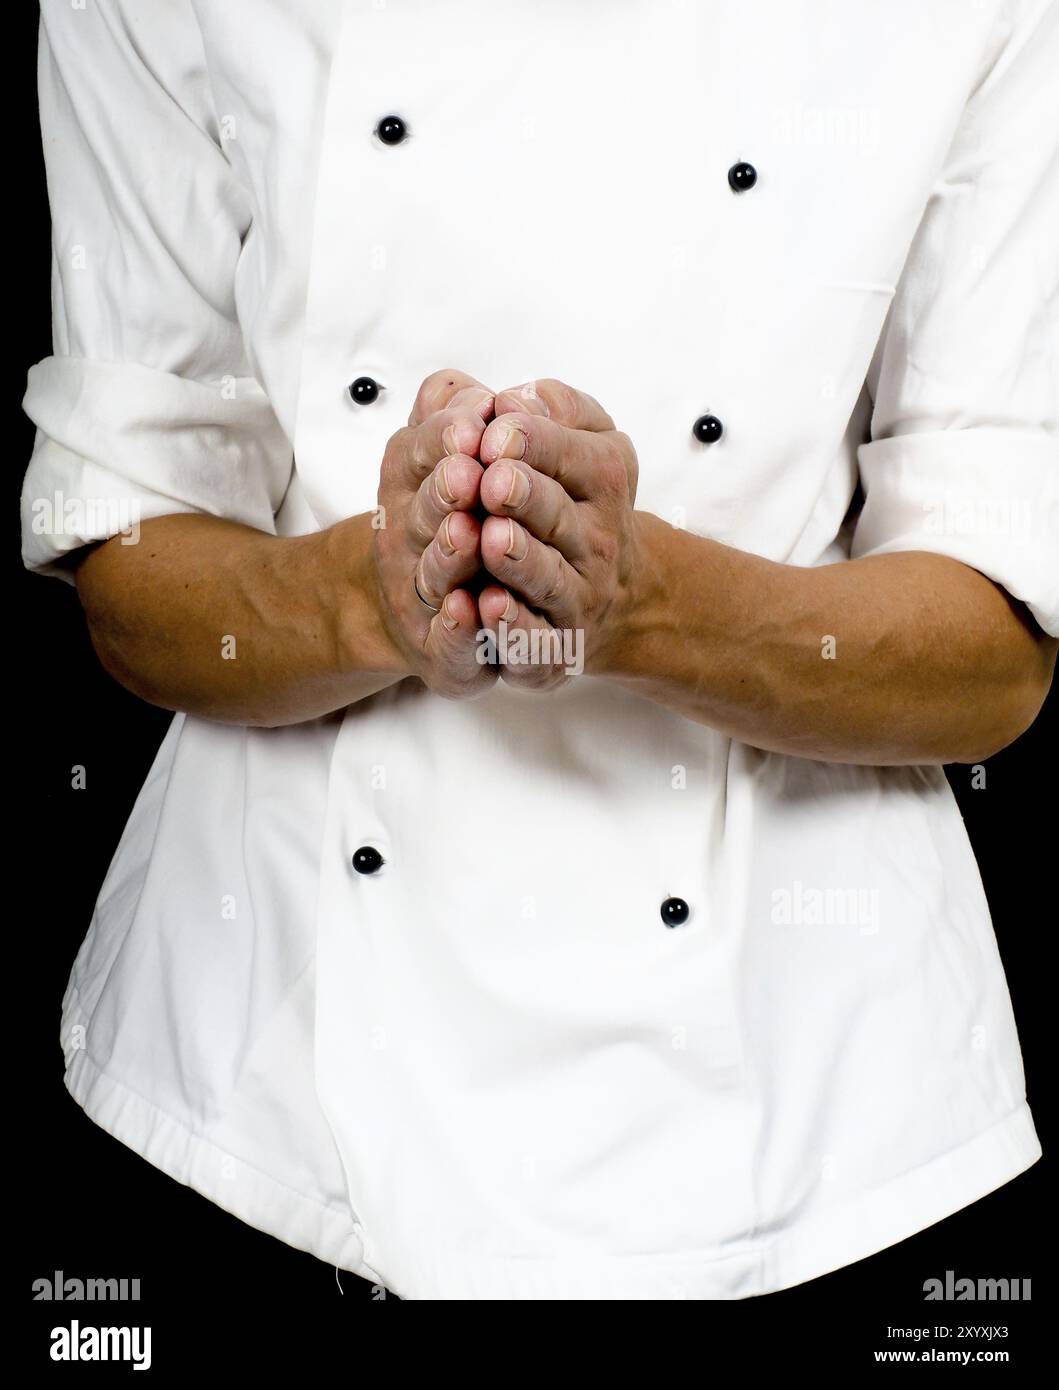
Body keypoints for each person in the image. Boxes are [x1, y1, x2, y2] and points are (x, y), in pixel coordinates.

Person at [21, 0, 1057, 1300]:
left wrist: (646, 603)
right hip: (264, 1092)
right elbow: (134, 552)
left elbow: (996, 649)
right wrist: (370, 596)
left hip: (808, 1121)